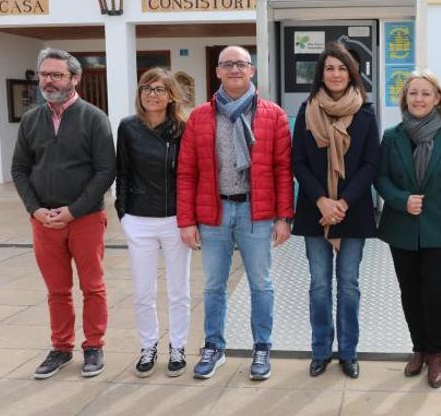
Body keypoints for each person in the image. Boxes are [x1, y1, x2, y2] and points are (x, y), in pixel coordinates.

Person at [177, 45, 294, 381]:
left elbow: (283, 170)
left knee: (261, 283)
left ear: (252, 71)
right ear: (217, 72)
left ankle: (262, 347)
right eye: (227, 65)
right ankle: (213, 347)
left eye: (241, 64)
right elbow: (186, 173)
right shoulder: (200, 116)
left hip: (257, 212)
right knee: (213, 285)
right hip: (213, 212)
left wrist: (284, 216)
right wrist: (187, 220)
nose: (234, 70)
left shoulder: (273, 115)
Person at [11, 48, 116, 379]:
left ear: (74, 78)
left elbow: (105, 171)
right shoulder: (31, 120)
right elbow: (19, 169)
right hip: (44, 222)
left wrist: (73, 211)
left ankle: (94, 346)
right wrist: (35, 209)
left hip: (84, 219)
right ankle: (61, 348)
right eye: (44, 74)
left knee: (92, 286)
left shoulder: (94, 118)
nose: (49, 80)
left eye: (57, 74)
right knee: (57, 290)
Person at [376, 69, 441, 388]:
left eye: (425, 93)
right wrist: (401, 199)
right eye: (413, 93)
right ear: (405, 98)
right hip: (402, 226)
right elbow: (380, 178)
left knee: (434, 293)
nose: (418, 99)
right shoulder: (392, 136)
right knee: (410, 293)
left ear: (437, 99)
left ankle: (436, 353)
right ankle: (418, 348)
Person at [291, 43, 380, 379]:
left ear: (351, 73)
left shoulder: (366, 113)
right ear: (321, 73)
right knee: (318, 285)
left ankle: (348, 351)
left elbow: (372, 163)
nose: (336, 74)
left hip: (352, 211)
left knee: (349, 284)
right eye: (330, 68)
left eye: (342, 68)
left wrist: (342, 203)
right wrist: (321, 201)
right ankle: (320, 350)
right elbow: (297, 160)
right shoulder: (307, 109)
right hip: (315, 210)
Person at [116, 68, 191, 378]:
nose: (152, 94)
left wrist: (189, 217)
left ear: (171, 95)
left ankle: (178, 346)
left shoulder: (183, 128)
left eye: (159, 89)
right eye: (147, 88)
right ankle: (148, 347)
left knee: (179, 290)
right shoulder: (128, 128)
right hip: (139, 219)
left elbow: (190, 175)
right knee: (144, 291)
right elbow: (122, 172)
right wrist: (124, 212)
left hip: (175, 219)